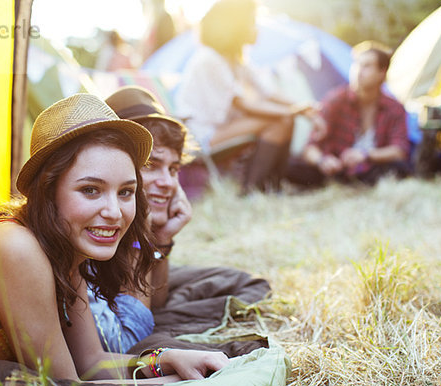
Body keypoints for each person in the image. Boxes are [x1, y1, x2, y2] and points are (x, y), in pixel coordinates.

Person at [0, 93, 228, 383]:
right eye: (91, 190)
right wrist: (182, 384)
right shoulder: (17, 247)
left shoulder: (63, 253)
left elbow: (90, 362)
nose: (115, 212)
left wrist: (166, 359)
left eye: (126, 192)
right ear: (48, 192)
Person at [90, 85, 271, 354]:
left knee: (244, 282)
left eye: (173, 169)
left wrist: (162, 240)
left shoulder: (142, 231)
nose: (167, 183)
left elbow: (158, 300)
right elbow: (126, 340)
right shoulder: (94, 225)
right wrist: (140, 240)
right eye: (152, 165)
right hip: (118, 336)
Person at [174, 0, 316, 193]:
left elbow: (269, 92)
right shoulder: (209, 59)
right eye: (251, 22)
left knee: (284, 120)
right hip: (202, 135)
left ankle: (272, 185)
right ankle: (252, 190)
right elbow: (245, 105)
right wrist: (294, 111)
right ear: (235, 27)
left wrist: (305, 107)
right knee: (283, 120)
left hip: (221, 129)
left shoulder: (235, 60)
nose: (256, 28)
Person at [287, 40, 411, 187]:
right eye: (357, 64)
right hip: (336, 168)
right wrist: (323, 161)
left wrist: (365, 155)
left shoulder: (394, 108)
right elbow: (310, 148)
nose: (359, 71)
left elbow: (400, 150)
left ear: (382, 73)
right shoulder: (336, 100)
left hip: (371, 169)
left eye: (367, 66)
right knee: (291, 166)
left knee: (401, 169)